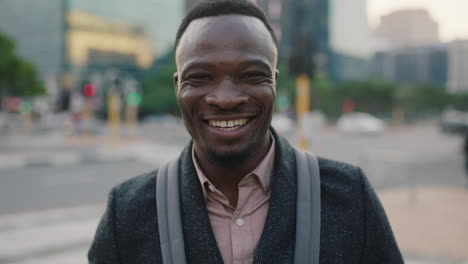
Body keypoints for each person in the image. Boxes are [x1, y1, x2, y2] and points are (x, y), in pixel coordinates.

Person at [88, 0, 403, 263]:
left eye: (251, 75)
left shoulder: (350, 197)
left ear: (275, 83)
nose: (225, 99)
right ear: (177, 87)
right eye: (200, 77)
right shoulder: (127, 212)